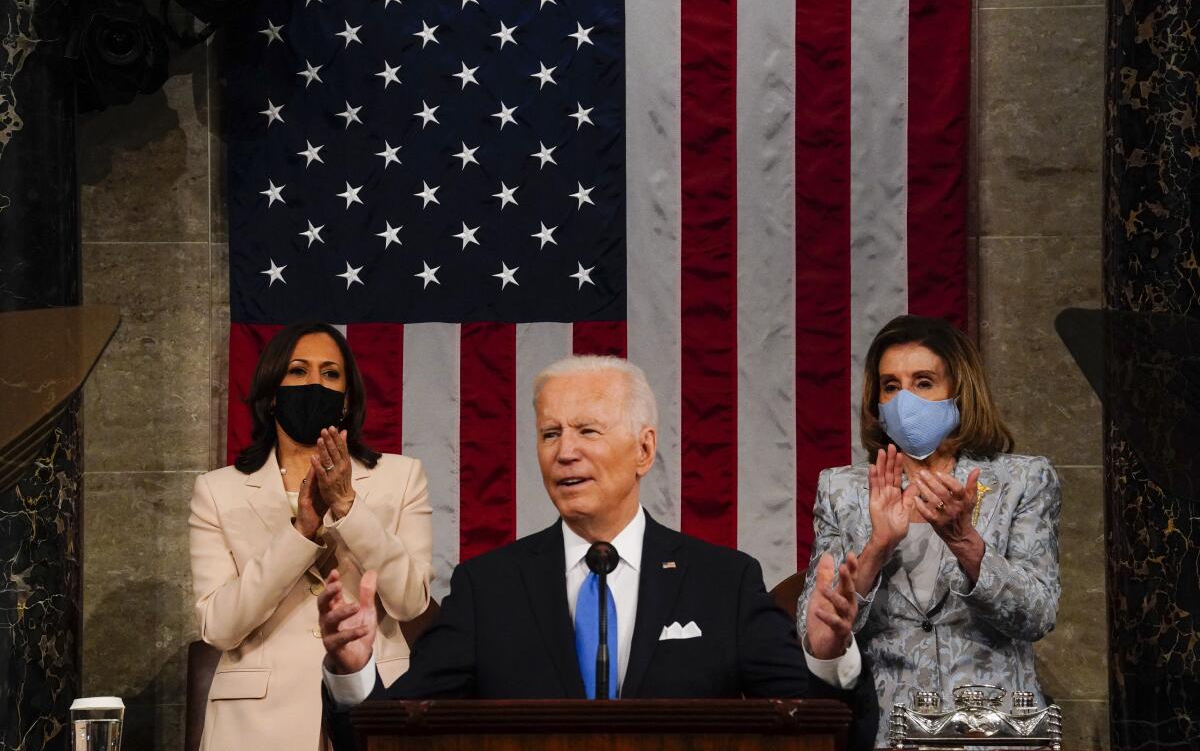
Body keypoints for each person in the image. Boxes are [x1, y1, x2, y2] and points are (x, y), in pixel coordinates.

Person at [318, 355, 879, 750]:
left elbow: (824, 734)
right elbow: (391, 735)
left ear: (643, 448)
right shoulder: (486, 589)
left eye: (588, 430)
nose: (566, 453)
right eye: (549, 433)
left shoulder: (723, 582)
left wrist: (829, 661)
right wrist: (354, 670)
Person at [798, 315, 1062, 747]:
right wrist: (877, 548)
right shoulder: (841, 490)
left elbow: (1037, 614)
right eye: (890, 386)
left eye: (923, 382)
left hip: (996, 734)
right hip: (888, 732)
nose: (905, 400)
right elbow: (816, 636)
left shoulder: (1024, 480)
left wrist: (966, 543)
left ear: (960, 393)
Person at [188, 322, 433, 751]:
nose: (314, 383)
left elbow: (410, 602)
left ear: (346, 399)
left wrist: (347, 507)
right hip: (255, 726)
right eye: (298, 371)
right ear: (272, 392)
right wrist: (301, 531)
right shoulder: (216, 491)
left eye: (330, 373)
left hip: (372, 707)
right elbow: (220, 627)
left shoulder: (402, 477)